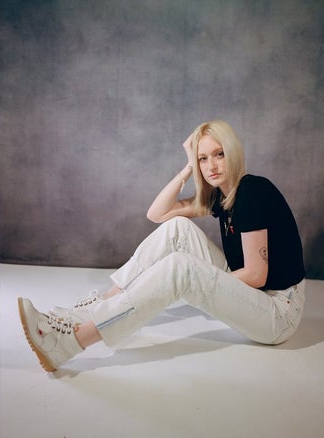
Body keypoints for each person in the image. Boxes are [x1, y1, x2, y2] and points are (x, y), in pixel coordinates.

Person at [18, 120, 306, 372]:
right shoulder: (220, 196)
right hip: (252, 290)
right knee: (177, 228)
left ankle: (70, 342)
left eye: (219, 154)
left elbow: (257, 276)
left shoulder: (253, 191)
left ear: (233, 152)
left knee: (181, 269)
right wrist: (188, 169)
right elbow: (157, 214)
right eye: (203, 158)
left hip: (277, 310)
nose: (212, 166)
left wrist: (201, 282)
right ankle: (93, 308)